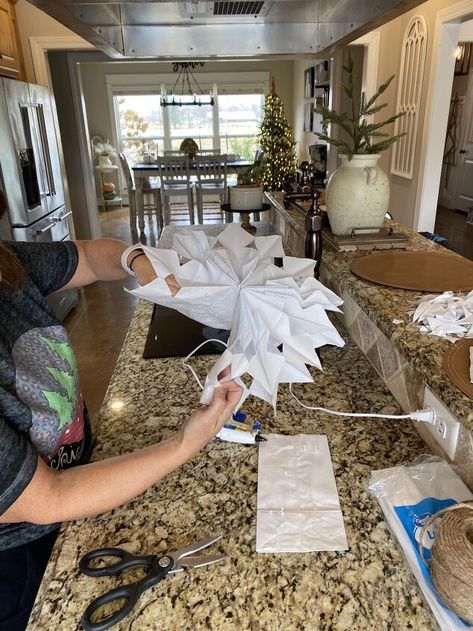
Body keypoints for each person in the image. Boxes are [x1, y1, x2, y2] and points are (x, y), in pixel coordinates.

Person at [0, 192, 242, 630]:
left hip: (74, 481)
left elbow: (92, 258)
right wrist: (187, 442)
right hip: (16, 555)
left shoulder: (7, 266)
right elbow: (48, 498)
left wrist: (137, 260)